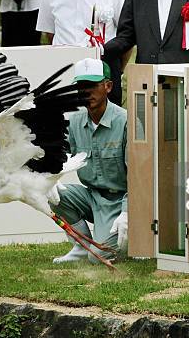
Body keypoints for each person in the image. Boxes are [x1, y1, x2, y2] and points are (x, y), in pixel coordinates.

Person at [51, 58, 128, 264]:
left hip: (119, 202)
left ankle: (130, 238)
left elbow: (140, 177)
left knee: (99, 258)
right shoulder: (75, 121)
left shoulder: (125, 121)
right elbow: (59, 154)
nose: (87, 93)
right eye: (81, 87)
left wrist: (128, 212)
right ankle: (80, 245)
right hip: (91, 195)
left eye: (92, 86)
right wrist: (48, 178)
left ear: (108, 86)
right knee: (53, 193)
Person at [36, 0, 125, 103]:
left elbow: (126, 36)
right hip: (64, 69)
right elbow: (50, 33)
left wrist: (116, 68)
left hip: (103, 69)